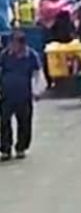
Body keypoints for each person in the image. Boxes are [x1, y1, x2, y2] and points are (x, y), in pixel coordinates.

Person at [0, 29, 41, 160]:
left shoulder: (31, 55)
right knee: (3, 122)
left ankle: (21, 147)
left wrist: (36, 90)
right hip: (6, 95)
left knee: (24, 122)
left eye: (18, 44)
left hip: (24, 95)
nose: (15, 46)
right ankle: (5, 148)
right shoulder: (4, 55)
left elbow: (36, 73)